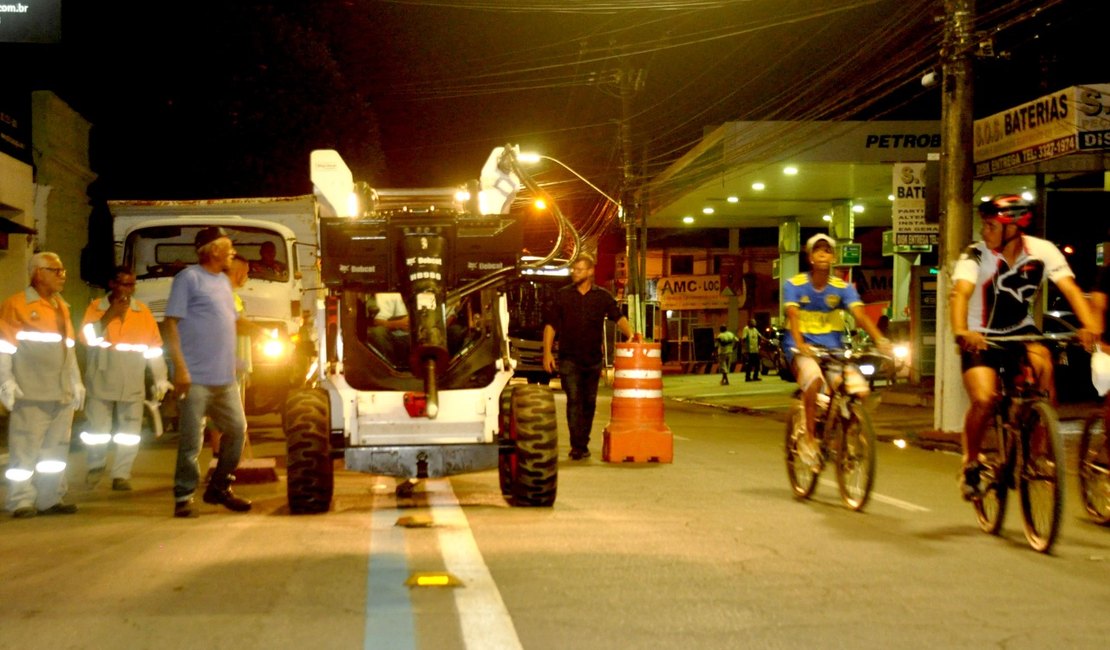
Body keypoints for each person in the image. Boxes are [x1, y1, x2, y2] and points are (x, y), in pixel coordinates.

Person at [950, 194, 1099, 500]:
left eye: (991, 226)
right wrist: (962, 331)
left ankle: (1037, 453)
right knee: (985, 399)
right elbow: (960, 294)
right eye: (983, 225)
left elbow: (1070, 289)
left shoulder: (1042, 251)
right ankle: (971, 461)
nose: (984, 231)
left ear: (1013, 228)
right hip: (979, 334)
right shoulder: (975, 254)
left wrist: (1090, 326)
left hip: (1020, 330)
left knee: (1045, 375)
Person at [163, 226, 252, 517]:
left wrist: (265, 332)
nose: (232, 253)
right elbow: (171, 324)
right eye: (228, 247)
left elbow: (232, 321)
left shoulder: (223, 283)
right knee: (192, 440)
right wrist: (180, 368)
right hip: (195, 377)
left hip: (224, 377)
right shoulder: (188, 279)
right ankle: (183, 496)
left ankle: (219, 487)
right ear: (213, 250)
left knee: (237, 430)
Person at [784, 234, 891, 470]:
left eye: (828, 251)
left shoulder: (843, 288)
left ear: (833, 257)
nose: (823, 254)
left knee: (858, 390)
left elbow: (860, 315)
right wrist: (801, 344)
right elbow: (793, 315)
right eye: (818, 250)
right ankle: (810, 438)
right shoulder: (794, 285)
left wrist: (880, 339)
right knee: (813, 381)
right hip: (802, 348)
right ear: (810, 258)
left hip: (834, 349)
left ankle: (844, 439)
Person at [0, 252, 85, 518]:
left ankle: (50, 498)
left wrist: (76, 382)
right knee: (25, 449)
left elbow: (68, 350)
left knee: (55, 450)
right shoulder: (16, 305)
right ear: (38, 273)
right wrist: (6, 382)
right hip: (31, 391)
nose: (62, 276)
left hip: (61, 393)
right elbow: (3, 348)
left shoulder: (61, 306)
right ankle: (20, 500)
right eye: (55, 270)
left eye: (63, 271)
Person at [79, 265, 173, 492]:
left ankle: (121, 474)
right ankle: (96, 464)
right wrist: (109, 315)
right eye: (124, 284)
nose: (129, 289)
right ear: (112, 284)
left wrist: (160, 378)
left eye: (132, 285)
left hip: (132, 378)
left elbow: (154, 348)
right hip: (102, 376)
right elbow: (86, 339)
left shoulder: (142, 312)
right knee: (97, 429)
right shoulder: (96, 308)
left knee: (129, 432)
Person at [542, 252, 636, 460]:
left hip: (593, 360)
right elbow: (551, 325)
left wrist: (631, 335)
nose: (574, 273)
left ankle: (582, 442)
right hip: (569, 359)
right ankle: (577, 446)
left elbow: (617, 316)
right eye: (573, 269)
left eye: (579, 269)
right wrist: (547, 353)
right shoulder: (562, 295)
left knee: (589, 403)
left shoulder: (602, 296)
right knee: (574, 400)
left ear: (591, 271)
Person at [367, 292, 410, 366]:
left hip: (421, 338)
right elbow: (376, 322)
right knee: (377, 332)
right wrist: (398, 324)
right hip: (398, 339)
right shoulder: (387, 295)